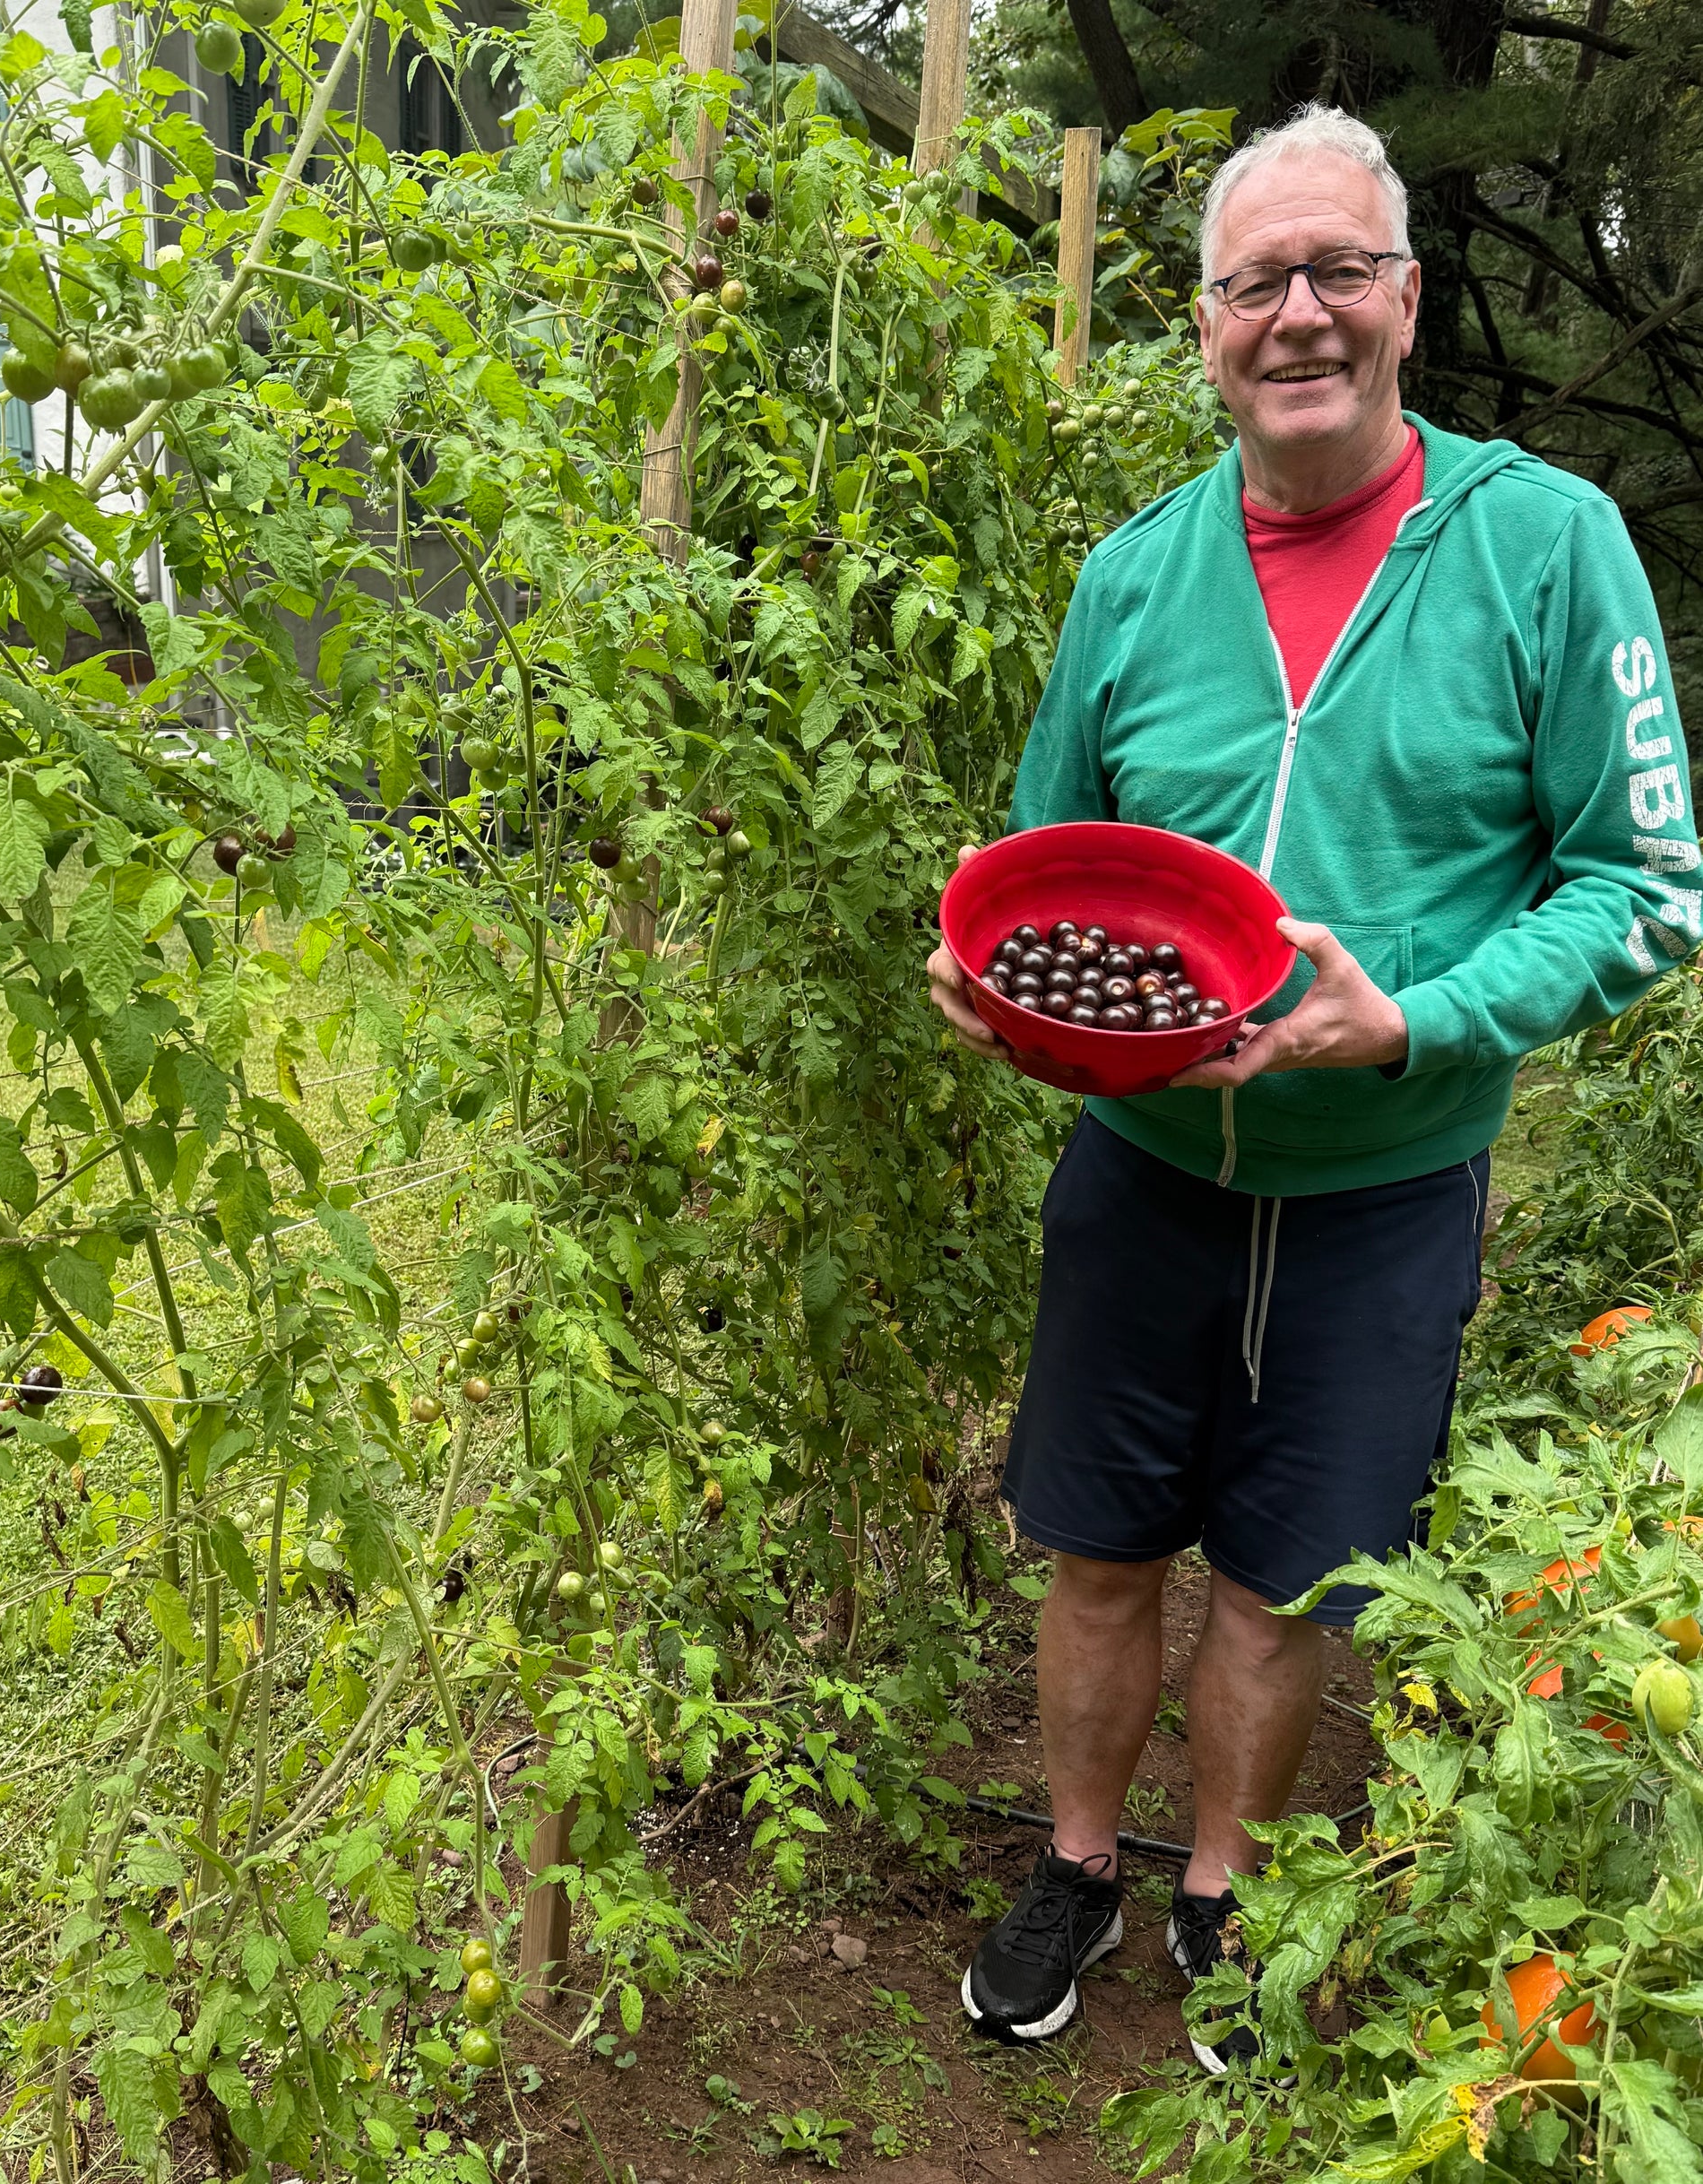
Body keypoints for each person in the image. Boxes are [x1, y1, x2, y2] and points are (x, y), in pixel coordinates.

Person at [928, 103, 1700, 2068]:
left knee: (1286, 1582)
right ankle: (1082, 1866)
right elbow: (1039, 862)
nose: (1297, 315)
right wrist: (993, 984)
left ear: (1405, 303)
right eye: (1254, 281)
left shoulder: (1544, 548)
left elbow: (1649, 885)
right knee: (1096, 1551)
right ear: (1202, 327)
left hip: (1383, 1185)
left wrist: (1422, 1014)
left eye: (1336, 270)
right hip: (1143, 1163)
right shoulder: (1134, 576)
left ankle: (1225, 1896)